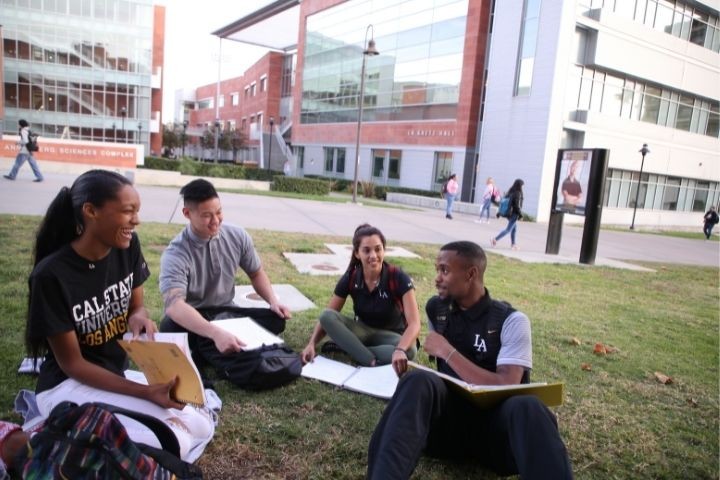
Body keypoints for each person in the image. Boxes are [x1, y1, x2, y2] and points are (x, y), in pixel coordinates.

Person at [24, 170, 214, 463]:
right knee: (176, 441)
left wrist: (138, 316)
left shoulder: (126, 247)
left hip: (115, 374)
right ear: (91, 212)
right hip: (67, 386)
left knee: (202, 424)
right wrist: (146, 392)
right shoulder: (51, 276)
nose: (135, 220)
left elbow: (137, 306)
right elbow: (73, 364)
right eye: (128, 211)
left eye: (136, 211)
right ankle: (51, 425)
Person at [367, 241, 573, 479]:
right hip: (448, 436)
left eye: (444, 270)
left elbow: (508, 383)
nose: (437, 278)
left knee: (528, 406)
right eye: (437, 270)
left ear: (471, 274)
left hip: (498, 441)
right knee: (418, 381)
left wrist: (448, 352)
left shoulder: (512, 321)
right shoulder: (437, 309)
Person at [159, 179, 292, 382]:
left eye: (219, 212)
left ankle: (208, 350)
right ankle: (215, 346)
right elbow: (174, 306)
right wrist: (215, 333)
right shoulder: (176, 253)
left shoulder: (237, 235)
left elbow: (256, 273)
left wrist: (273, 301)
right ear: (187, 214)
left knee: (275, 320)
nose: (216, 220)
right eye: (206, 215)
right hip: (194, 317)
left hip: (227, 314)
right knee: (170, 327)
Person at [301, 224, 420, 375]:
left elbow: (415, 324)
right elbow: (329, 315)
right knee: (326, 315)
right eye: (366, 250)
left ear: (384, 250)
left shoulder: (398, 277)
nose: (373, 255)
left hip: (390, 336)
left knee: (409, 351)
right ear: (357, 253)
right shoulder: (351, 276)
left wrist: (399, 350)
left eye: (378, 249)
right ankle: (368, 359)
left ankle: (349, 348)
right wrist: (311, 344)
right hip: (361, 331)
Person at [491, 178, 524, 250]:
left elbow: (503, 202)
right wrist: (520, 215)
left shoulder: (511, 191)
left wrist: (499, 212)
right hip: (514, 214)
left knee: (514, 229)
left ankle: (513, 244)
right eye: (522, 185)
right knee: (508, 230)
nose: (523, 187)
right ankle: (495, 239)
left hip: (508, 213)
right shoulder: (518, 193)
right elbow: (517, 205)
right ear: (520, 185)